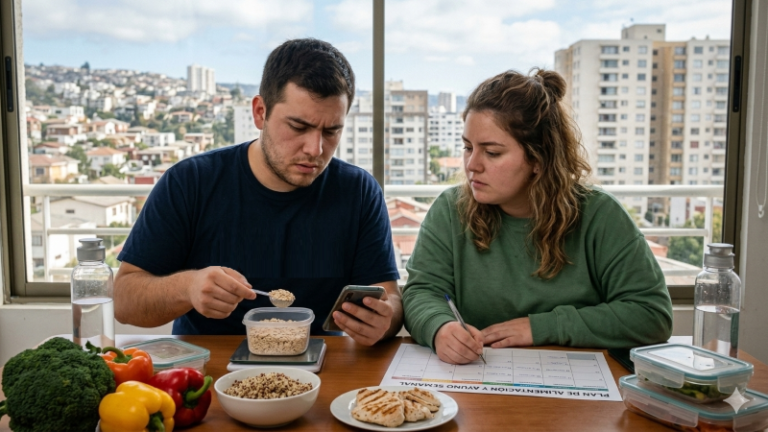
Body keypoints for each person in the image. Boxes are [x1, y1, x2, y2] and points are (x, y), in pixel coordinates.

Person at [114, 38, 402, 346]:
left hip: (322, 369)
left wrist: (384, 320)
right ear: (260, 112)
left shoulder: (358, 191)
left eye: (331, 131)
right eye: (298, 126)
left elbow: (390, 298)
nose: (315, 149)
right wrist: (188, 287)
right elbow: (124, 301)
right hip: (209, 372)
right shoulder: (190, 182)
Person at [402, 69, 673, 365]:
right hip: (478, 383)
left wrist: (543, 327)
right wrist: (440, 328)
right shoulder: (449, 209)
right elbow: (422, 292)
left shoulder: (601, 216)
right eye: (468, 147)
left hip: (581, 393)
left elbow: (651, 316)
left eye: (491, 152)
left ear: (538, 159)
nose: (472, 165)